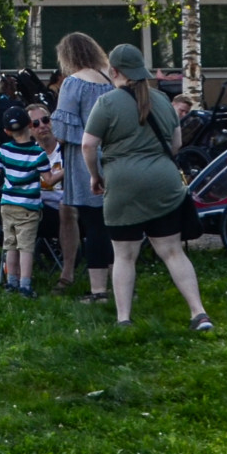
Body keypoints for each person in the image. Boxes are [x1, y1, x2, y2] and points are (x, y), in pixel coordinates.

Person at [83, 44, 212, 332]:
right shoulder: (163, 100)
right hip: (163, 183)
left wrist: (95, 176)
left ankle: (124, 319)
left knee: (124, 255)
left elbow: (88, 145)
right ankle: (199, 313)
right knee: (173, 252)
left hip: (123, 184)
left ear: (114, 71)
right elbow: (176, 144)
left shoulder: (106, 103)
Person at [51, 33, 118, 302]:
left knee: (93, 226)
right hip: (113, 155)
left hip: (84, 159)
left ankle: (98, 290)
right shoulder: (110, 80)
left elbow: (62, 130)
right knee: (112, 225)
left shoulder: (74, 83)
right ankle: (121, 284)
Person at [0, 105, 58, 296]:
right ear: (29, 125)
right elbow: (49, 180)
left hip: (7, 204)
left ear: (6, 131)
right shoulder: (38, 153)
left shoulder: (4, 149)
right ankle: (25, 285)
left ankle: (11, 282)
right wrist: (64, 171)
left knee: (10, 245)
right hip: (28, 207)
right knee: (26, 247)